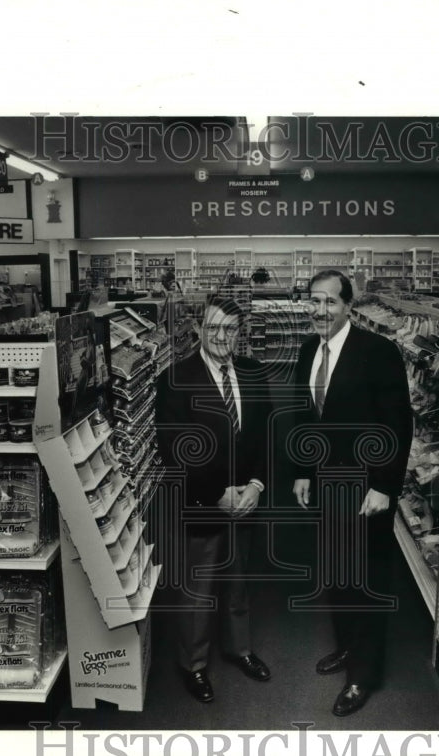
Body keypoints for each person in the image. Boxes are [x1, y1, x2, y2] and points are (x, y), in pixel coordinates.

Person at [289, 270, 412, 717]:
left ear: (348, 306)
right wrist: (303, 471)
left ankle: (363, 674)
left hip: (366, 488)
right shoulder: (307, 351)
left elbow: (397, 423)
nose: (320, 311)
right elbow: (305, 418)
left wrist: (384, 485)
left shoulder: (378, 352)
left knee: (367, 580)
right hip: (326, 485)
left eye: (330, 303)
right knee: (337, 572)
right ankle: (346, 647)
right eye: (313, 302)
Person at [154, 294, 273, 703]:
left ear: (240, 333)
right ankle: (194, 665)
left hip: (245, 502)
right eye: (213, 327)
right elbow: (176, 451)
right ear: (197, 330)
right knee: (197, 591)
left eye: (230, 329)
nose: (222, 336)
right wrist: (216, 494)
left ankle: (239, 649)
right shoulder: (175, 379)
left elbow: (265, 437)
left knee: (238, 582)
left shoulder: (255, 373)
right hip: (202, 504)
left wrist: (256, 485)